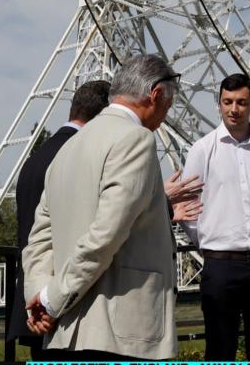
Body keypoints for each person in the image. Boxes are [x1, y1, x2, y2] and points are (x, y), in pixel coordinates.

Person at [21, 54, 180, 361]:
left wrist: (38, 299)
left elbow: (38, 241)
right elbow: (106, 234)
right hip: (120, 336)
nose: (164, 116)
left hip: (63, 334)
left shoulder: (65, 150)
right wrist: (52, 300)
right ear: (156, 94)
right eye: (168, 106)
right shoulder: (136, 140)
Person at [182, 72, 250, 361]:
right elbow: (188, 209)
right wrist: (209, 243)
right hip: (221, 265)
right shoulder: (202, 150)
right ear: (219, 104)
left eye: (241, 102)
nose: (234, 109)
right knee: (219, 349)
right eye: (227, 102)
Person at [9, 80, 109, 360]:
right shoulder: (79, 155)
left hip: (33, 298)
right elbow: (95, 223)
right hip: (63, 301)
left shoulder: (36, 158)